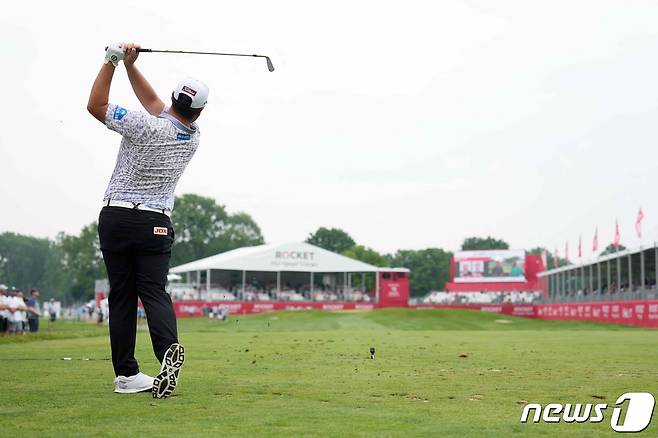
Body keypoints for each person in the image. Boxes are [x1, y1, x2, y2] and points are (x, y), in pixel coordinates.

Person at [88, 43, 208, 398]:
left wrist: (110, 61)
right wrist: (129, 65)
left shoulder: (143, 125)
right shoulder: (192, 137)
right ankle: (165, 350)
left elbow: (95, 106)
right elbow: (158, 106)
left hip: (116, 216)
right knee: (153, 291)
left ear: (174, 98)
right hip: (155, 223)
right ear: (199, 111)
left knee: (122, 296)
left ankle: (126, 375)